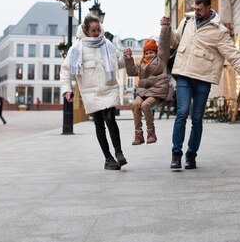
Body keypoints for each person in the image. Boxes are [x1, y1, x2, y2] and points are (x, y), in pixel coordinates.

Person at [164, 0, 240, 170]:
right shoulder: (187, 21)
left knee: (197, 118)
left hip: (203, 79)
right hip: (183, 74)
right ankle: (176, 153)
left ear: (208, 7)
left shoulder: (219, 31)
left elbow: (232, 54)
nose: (195, 12)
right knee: (182, 112)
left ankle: (191, 155)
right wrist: (167, 28)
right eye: (194, 8)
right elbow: (175, 41)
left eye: (199, 9)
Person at [60, 14, 128, 171]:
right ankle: (108, 158)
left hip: (108, 88)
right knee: (99, 125)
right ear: (85, 30)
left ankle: (118, 152)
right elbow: (66, 71)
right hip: (91, 93)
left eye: (99, 29)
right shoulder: (76, 48)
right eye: (94, 30)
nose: (97, 33)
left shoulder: (107, 44)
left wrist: (126, 57)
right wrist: (67, 90)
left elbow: (118, 62)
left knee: (111, 119)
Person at [123, 24, 170, 145]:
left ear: (156, 52)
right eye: (147, 53)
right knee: (135, 104)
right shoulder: (141, 65)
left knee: (145, 105)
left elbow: (164, 44)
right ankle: (138, 134)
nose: (149, 55)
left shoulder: (161, 60)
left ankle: (151, 132)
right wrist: (128, 58)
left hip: (156, 91)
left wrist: (165, 27)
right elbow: (131, 71)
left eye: (151, 52)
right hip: (143, 91)